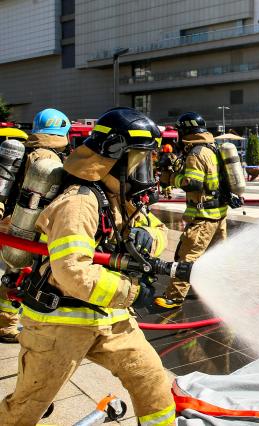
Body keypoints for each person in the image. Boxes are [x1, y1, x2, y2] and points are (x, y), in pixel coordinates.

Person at [0, 107, 176, 425]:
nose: (143, 169)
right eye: (139, 159)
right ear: (116, 156)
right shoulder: (78, 202)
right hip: (60, 325)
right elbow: (72, 272)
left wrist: (148, 237)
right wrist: (132, 292)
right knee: (26, 408)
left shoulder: (119, 196)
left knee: (153, 382)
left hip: (111, 318)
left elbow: (158, 230)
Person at [155, 112, 243, 310]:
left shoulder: (196, 153)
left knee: (187, 257)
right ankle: (223, 288)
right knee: (218, 256)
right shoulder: (212, 148)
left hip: (203, 218)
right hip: (219, 215)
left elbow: (192, 183)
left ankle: (174, 297)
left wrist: (170, 178)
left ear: (186, 131)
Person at [0, 108, 71, 344]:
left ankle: (5, 321)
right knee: (26, 274)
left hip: (13, 219)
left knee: (12, 272)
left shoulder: (26, 150)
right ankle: (12, 324)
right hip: (31, 226)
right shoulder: (49, 159)